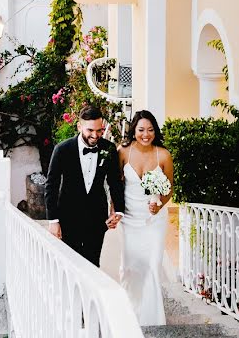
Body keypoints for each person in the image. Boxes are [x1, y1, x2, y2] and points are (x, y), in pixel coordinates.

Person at [45, 104, 126, 267]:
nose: (95, 135)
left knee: (93, 264)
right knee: (69, 264)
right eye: (90, 130)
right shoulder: (62, 149)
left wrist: (118, 210)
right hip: (68, 216)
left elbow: (115, 182)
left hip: (97, 218)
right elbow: (51, 185)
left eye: (99, 130)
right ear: (79, 126)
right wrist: (53, 220)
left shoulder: (108, 149)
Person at [118, 110, 173, 326]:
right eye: (141, 129)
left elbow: (169, 188)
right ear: (134, 130)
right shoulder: (123, 152)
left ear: (155, 131)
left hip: (154, 222)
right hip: (130, 220)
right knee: (130, 267)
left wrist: (159, 205)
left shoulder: (164, 155)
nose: (146, 134)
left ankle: (152, 320)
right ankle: (129, 313)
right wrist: (115, 210)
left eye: (150, 130)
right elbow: (115, 185)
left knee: (152, 266)